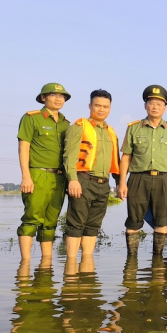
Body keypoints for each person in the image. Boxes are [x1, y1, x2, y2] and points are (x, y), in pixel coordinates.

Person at [118, 85, 167, 256]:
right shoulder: (134, 128)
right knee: (133, 221)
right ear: (145, 106)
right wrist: (121, 183)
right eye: (151, 103)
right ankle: (131, 261)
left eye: (159, 104)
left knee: (161, 221)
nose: (155, 107)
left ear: (165, 108)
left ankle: (158, 260)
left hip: (164, 179)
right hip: (138, 179)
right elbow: (126, 157)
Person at [16, 82, 72, 263]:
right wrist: (26, 176)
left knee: (50, 222)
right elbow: (23, 148)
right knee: (31, 218)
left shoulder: (66, 124)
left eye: (62, 96)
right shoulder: (32, 118)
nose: (58, 99)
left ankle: (46, 264)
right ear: (43, 98)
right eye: (53, 95)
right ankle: (24, 265)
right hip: (38, 174)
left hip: (60, 177)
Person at [63, 89, 120, 258]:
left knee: (93, 225)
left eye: (105, 106)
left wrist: (120, 183)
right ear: (90, 106)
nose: (101, 109)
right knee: (76, 224)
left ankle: (87, 264)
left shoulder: (111, 132)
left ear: (110, 108)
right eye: (97, 105)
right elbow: (69, 156)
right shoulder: (79, 127)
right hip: (83, 181)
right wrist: (72, 180)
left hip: (103, 185)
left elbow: (115, 160)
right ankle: (71, 265)